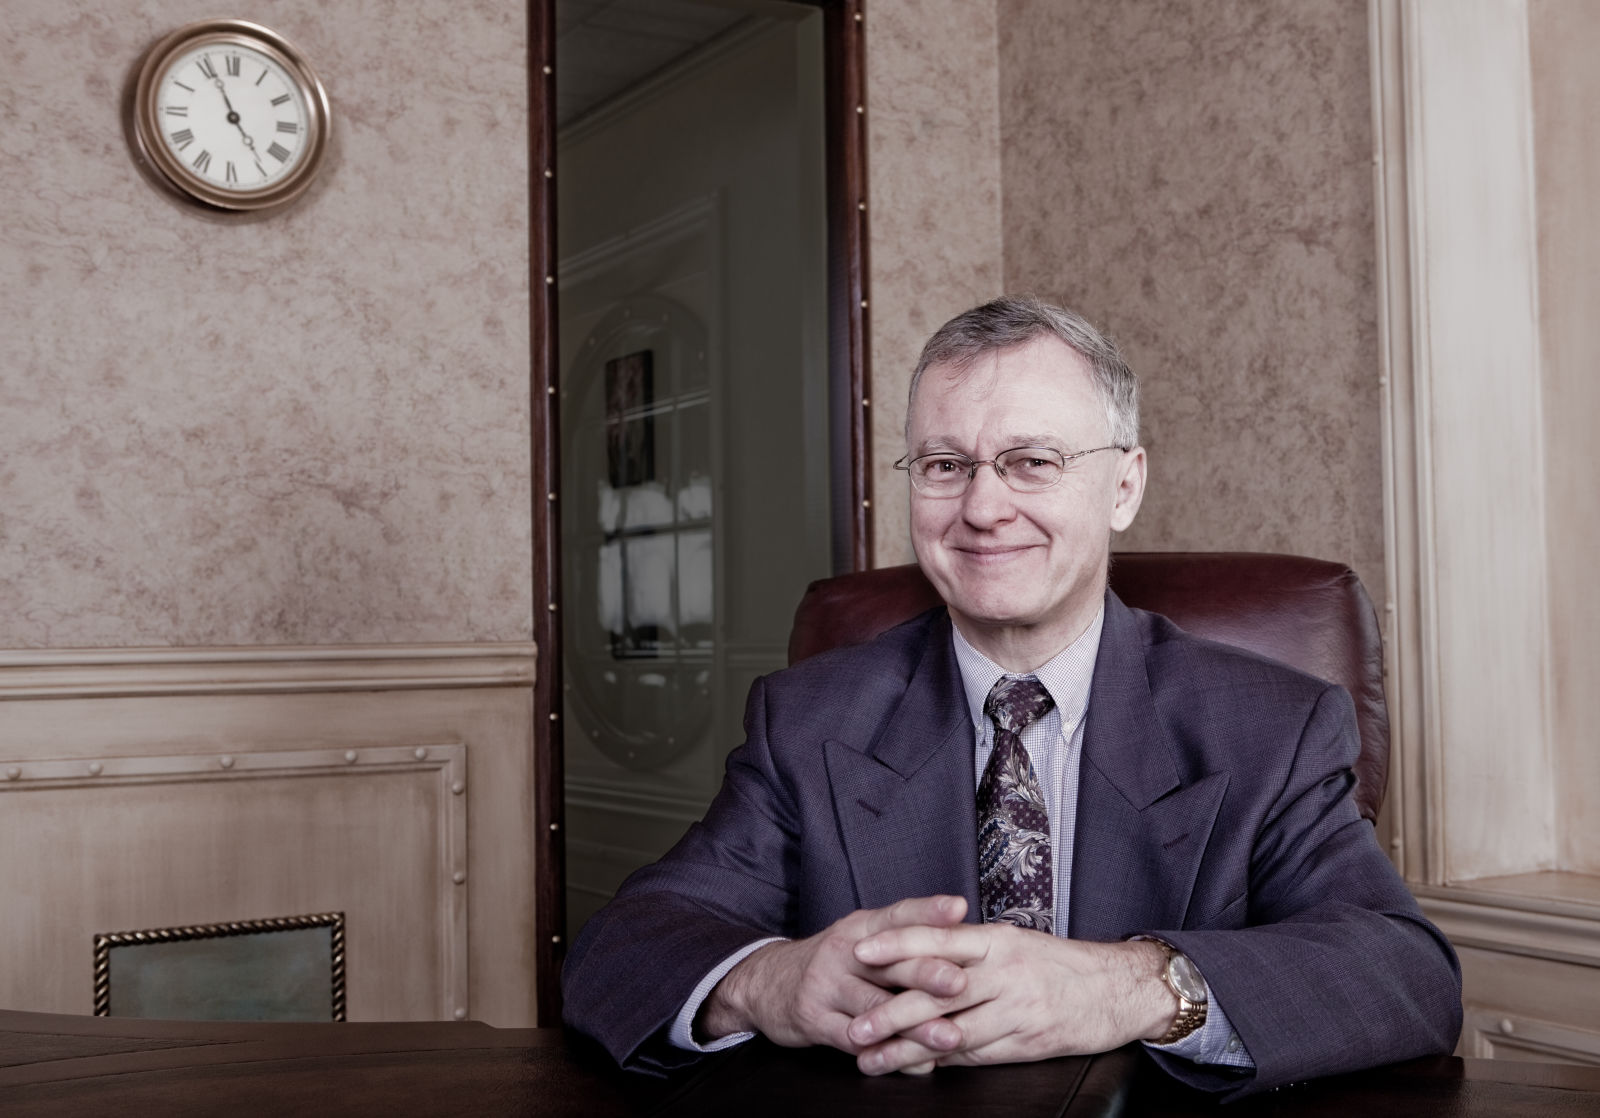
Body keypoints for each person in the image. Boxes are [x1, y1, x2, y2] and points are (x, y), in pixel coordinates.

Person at [562, 295, 1462, 1098]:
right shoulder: (810, 719)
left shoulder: (1271, 726)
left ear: (1124, 485)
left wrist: (1131, 987)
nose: (983, 508)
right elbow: (624, 945)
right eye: (945, 465)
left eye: (1031, 460)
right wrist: (773, 983)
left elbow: (1405, 975)